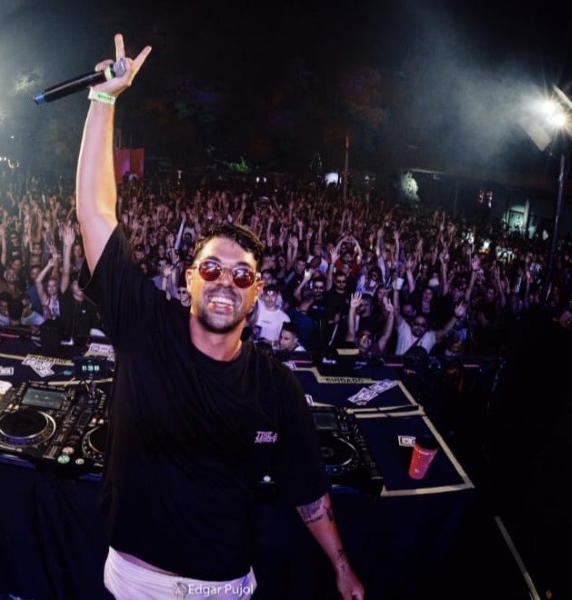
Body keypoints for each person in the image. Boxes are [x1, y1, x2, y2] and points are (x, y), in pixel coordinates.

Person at [76, 34, 364, 600]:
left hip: (224, 585)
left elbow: (308, 490)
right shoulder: (144, 326)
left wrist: (341, 564)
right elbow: (96, 212)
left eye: (241, 275)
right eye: (211, 268)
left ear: (256, 293)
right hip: (136, 580)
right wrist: (104, 100)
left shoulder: (275, 387)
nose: (225, 282)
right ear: (189, 278)